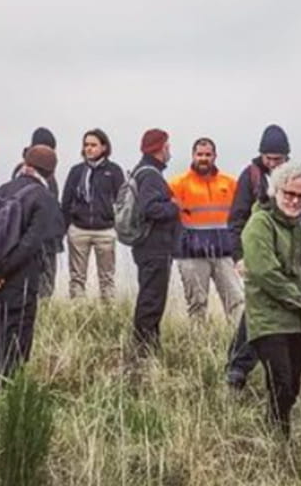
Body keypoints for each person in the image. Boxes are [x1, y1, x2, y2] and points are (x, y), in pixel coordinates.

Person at [226, 124, 301, 388]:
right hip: (260, 253)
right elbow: (236, 219)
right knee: (259, 309)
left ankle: (284, 376)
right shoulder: (249, 176)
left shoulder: (300, 179)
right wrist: (239, 256)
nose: (272, 163)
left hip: (296, 255)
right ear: (261, 155)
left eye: (278, 159)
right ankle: (238, 369)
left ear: (287, 157)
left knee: (286, 312)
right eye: (268, 158)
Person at [241, 161, 301, 437]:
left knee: (292, 387)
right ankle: (279, 441)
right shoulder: (259, 224)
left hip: (298, 322)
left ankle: (274, 432)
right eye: (288, 193)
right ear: (275, 191)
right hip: (268, 321)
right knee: (281, 383)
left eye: (300, 196)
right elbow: (266, 272)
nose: (294, 200)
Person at [0, 144, 64, 381]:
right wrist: (3, 272)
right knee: (15, 347)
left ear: (26, 164)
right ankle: (9, 402)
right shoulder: (44, 198)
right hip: (19, 283)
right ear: (51, 173)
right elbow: (32, 244)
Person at [170, 137, 245, 324]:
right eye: (200, 154)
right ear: (193, 155)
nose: (203, 158)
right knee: (197, 305)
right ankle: (198, 347)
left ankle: (241, 346)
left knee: (236, 302)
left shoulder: (230, 184)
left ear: (215, 156)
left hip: (224, 254)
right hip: (192, 255)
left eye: (208, 154)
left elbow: (241, 215)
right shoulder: (177, 184)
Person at [127, 129, 181, 355]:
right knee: (152, 299)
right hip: (154, 247)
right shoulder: (150, 175)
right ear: (160, 148)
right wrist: (174, 206)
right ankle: (145, 348)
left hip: (149, 246)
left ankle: (148, 345)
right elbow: (149, 208)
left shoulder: (143, 171)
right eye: (167, 146)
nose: (169, 150)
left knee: (150, 296)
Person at [61, 129, 126, 301]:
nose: (89, 148)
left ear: (103, 147)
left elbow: (123, 202)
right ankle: (77, 317)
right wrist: (65, 228)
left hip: (105, 230)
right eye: (86, 145)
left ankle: (108, 318)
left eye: (93, 145)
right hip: (78, 229)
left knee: (107, 280)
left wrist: (117, 225)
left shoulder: (114, 171)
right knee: (76, 279)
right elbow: (66, 201)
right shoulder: (76, 171)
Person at [13, 128, 65, 297]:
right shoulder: (30, 174)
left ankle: (40, 317)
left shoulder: (22, 172)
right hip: (39, 238)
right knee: (40, 285)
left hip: (40, 237)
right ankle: (39, 318)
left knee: (42, 285)